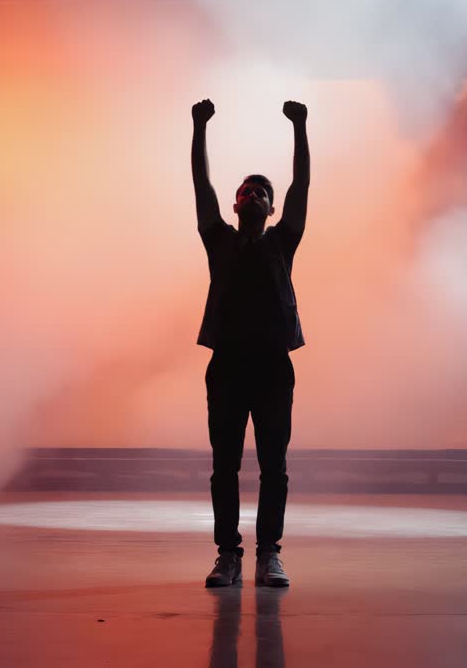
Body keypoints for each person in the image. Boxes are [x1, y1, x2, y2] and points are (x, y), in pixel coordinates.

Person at [191, 98, 309, 588]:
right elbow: (202, 185)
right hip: (228, 365)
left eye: (262, 191)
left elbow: (302, 184)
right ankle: (228, 555)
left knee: (273, 466)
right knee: (224, 465)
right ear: (236, 204)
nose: (253, 194)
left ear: (272, 206)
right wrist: (199, 129)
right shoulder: (218, 239)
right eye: (246, 190)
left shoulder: (283, 242)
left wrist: (300, 129)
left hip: (272, 366)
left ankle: (269, 554)